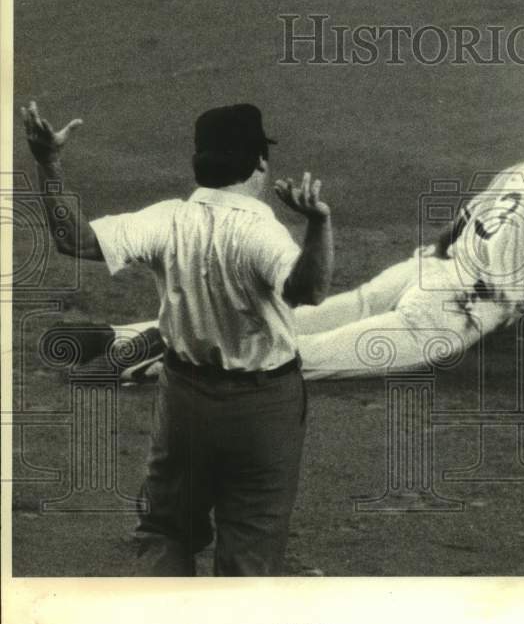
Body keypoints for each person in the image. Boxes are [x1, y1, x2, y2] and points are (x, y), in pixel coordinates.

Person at [57, 84, 524, 388]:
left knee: (302, 320)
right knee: (297, 361)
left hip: (415, 274)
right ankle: (159, 362)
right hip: (444, 311)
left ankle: (119, 336)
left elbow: (458, 227)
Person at [23, 100, 334, 575]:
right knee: (251, 545)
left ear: (200, 162)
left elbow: (74, 239)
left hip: (185, 401)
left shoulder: (167, 218)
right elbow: (309, 290)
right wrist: (318, 224)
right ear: (260, 162)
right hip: (263, 409)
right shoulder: (262, 232)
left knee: (166, 530)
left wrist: (48, 163)